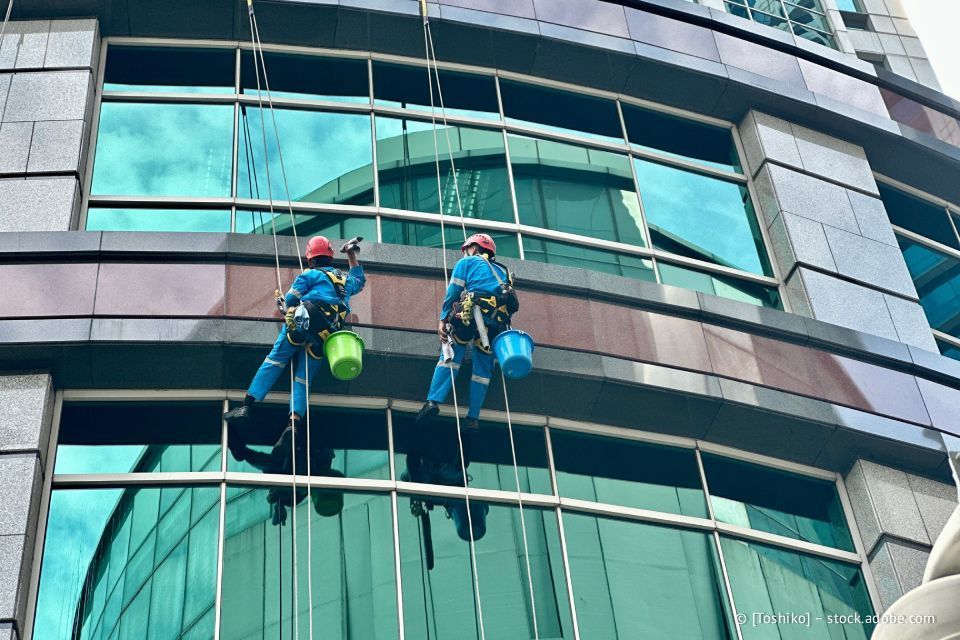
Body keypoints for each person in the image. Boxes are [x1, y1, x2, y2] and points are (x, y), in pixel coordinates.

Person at [416, 233, 519, 430]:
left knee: (452, 353)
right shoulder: (504, 271)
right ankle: (473, 418)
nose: (465, 253)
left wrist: (442, 320)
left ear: (473, 248)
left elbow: (453, 292)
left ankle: (432, 402)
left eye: (466, 250)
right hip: (496, 323)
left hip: (470, 315)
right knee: (483, 368)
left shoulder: (468, 262)